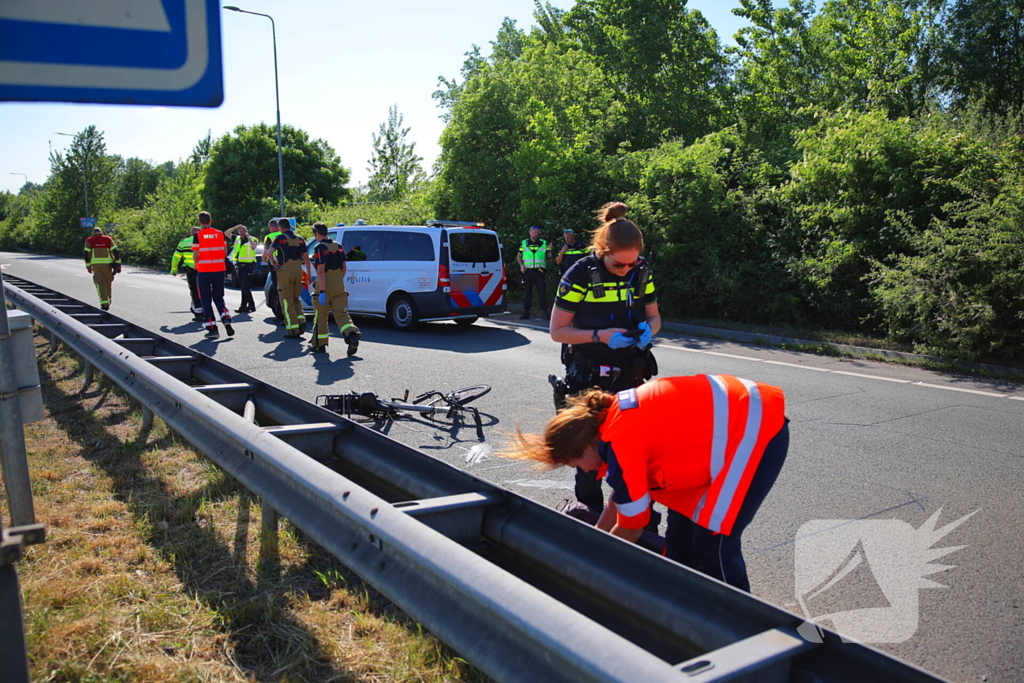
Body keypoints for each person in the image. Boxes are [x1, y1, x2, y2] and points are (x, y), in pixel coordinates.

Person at [505, 375, 790, 592]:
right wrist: (593, 539)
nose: (583, 471)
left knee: (711, 543)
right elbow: (622, 498)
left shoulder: (620, 442)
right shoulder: (608, 424)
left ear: (586, 448)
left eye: (575, 464)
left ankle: (747, 629)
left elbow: (631, 527)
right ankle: (689, 619)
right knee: (679, 542)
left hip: (754, 426)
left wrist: (588, 565)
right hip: (728, 426)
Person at [550, 201, 661, 519]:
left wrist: (647, 331)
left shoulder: (641, 272)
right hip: (589, 379)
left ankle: (638, 519)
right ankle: (588, 513)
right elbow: (558, 331)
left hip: (630, 375)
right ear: (603, 250)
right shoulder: (581, 273)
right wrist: (600, 335)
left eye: (632, 263)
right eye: (619, 265)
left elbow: (654, 318)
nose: (627, 270)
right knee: (589, 454)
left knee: (634, 454)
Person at [309, 222, 361, 356]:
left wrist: (322, 291)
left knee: (321, 315)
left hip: (325, 282)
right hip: (339, 282)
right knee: (341, 314)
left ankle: (319, 345)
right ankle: (352, 335)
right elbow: (344, 268)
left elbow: (320, 271)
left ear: (317, 233)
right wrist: (337, 280)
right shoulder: (339, 246)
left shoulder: (319, 248)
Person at [191, 211, 234, 338]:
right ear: (211, 221)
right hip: (219, 270)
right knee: (218, 297)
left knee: (205, 300)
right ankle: (225, 317)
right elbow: (225, 252)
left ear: (199, 222)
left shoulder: (198, 235)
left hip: (204, 271)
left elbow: (196, 254)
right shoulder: (220, 234)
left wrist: (195, 264)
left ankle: (212, 329)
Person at [266, 219, 311, 338]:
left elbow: (269, 253)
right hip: (298, 270)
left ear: (280, 227)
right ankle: (301, 322)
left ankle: (292, 329)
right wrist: (309, 274)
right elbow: (306, 257)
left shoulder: (279, 238)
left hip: (285, 271)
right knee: (296, 299)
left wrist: (274, 263)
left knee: (286, 301)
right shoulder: (300, 239)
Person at [83, 227, 121, 311]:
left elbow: (86, 254)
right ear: (101, 232)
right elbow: (115, 251)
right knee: (108, 284)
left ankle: (104, 304)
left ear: (93, 232)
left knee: (100, 284)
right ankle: (108, 301)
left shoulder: (89, 240)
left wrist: (88, 266)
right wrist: (118, 263)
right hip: (108, 266)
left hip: (96, 266)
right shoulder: (108, 239)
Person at [517, 225, 549, 319]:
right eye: (534, 232)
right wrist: (521, 266)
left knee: (542, 292)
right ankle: (526, 313)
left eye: (537, 232)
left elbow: (550, 256)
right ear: (530, 233)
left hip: (540, 271)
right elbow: (519, 256)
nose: (536, 233)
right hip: (528, 271)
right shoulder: (524, 243)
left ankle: (544, 312)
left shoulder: (543, 243)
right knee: (527, 292)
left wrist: (551, 249)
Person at [170, 226, 203, 320]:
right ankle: (205, 311)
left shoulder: (184, 242)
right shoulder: (204, 241)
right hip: (204, 268)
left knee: (194, 290)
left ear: (190, 233)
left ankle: (198, 311)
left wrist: (174, 269)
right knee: (204, 290)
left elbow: (176, 257)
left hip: (190, 269)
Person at [225, 224, 259, 313]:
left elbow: (254, 246)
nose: (241, 233)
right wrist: (234, 227)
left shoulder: (253, 239)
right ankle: (251, 305)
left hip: (249, 266)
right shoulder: (237, 239)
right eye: (240, 231)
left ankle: (243, 307)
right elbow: (226, 233)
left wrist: (248, 238)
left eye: (243, 231)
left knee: (245, 287)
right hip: (240, 265)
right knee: (244, 287)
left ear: (246, 231)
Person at [262, 219, 284, 323]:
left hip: (275, 266)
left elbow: (265, 255)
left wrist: (268, 260)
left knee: (277, 291)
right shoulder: (285, 234)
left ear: (272, 227)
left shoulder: (270, 237)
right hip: (286, 266)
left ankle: (280, 315)